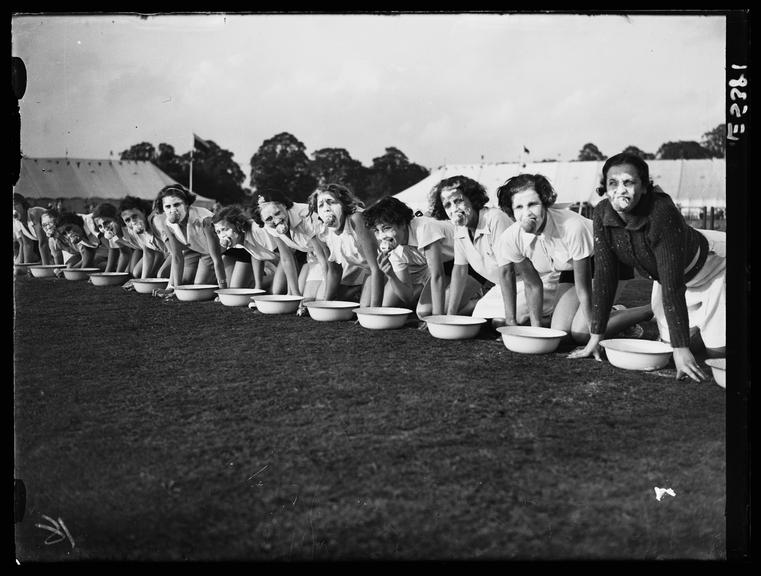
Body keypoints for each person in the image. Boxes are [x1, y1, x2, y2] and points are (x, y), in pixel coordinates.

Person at [568, 153, 726, 382]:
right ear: (604, 186)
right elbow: (605, 276)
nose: (620, 190)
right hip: (670, 278)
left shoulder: (661, 211)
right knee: (670, 348)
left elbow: (672, 286)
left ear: (643, 187)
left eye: (628, 182)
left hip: (716, 267)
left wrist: (681, 348)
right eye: (613, 183)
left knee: (717, 355)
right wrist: (595, 336)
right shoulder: (602, 212)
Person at [495, 173, 652, 343]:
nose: (527, 213)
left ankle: (651, 309)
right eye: (519, 207)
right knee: (559, 335)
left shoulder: (572, 227)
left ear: (545, 203)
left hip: (609, 260)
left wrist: (594, 334)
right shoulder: (511, 238)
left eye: (532, 204)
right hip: (571, 269)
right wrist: (536, 329)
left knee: (581, 332)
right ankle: (613, 311)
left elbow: (583, 290)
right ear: (511, 212)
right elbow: (532, 285)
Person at [362, 195, 482, 314]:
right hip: (447, 264)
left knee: (443, 312)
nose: (382, 236)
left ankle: (480, 301)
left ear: (403, 223)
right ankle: (467, 299)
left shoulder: (424, 228)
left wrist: (436, 318)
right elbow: (408, 296)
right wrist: (390, 274)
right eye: (377, 230)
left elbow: (437, 275)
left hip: (472, 260)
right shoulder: (395, 248)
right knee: (423, 312)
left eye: (386, 228)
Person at [427, 175, 514, 327]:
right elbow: (460, 271)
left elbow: (508, 271)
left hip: (522, 283)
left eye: (458, 200)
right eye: (447, 205)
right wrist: (449, 317)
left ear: (472, 199)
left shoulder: (495, 218)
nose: (454, 209)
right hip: (500, 287)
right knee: (478, 319)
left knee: (498, 322)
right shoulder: (459, 228)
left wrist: (511, 319)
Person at [307, 183, 383, 306]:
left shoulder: (357, 219)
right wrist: (325, 304)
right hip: (370, 272)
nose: (326, 208)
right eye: (320, 205)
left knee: (369, 309)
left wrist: (373, 310)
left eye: (331, 202)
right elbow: (334, 271)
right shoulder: (322, 231)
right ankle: (358, 293)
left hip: (389, 269)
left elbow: (376, 267)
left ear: (343, 204)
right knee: (335, 297)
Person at [252, 189, 330, 302]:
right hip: (314, 258)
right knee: (306, 298)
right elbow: (286, 258)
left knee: (320, 299)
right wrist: (295, 295)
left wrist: (326, 295)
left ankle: (356, 289)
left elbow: (324, 258)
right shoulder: (269, 225)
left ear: (284, 205)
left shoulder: (305, 215)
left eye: (278, 213)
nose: (276, 220)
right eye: (269, 219)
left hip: (334, 256)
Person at [151, 184, 228, 297]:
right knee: (185, 282)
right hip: (200, 251)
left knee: (199, 286)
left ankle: (229, 272)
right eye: (168, 206)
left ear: (186, 204)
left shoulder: (205, 220)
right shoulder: (167, 224)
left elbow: (216, 258)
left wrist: (223, 291)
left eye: (177, 204)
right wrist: (175, 289)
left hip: (222, 252)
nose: (173, 210)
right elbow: (177, 257)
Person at [211, 205, 280, 291]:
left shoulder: (257, 231)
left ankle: (273, 274)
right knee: (233, 289)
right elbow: (256, 255)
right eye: (218, 231)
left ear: (238, 225)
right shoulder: (236, 239)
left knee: (275, 291)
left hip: (290, 258)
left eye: (225, 229)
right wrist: (258, 286)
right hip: (247, 250)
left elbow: (283, 256)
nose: (222, 235)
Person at [118, 196, 170, 279]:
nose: (133, 222)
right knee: (136, 273)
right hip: (162, 252)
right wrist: (143, 280)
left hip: (179, 252)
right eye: (127, 220)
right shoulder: (133, 229)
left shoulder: (156, 222)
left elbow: (175, 252)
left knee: (161, 275)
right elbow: (148, 252)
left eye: (135, 216)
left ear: (143, 212)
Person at [92, 202, 139, 274]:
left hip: (142, 250)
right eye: (100, 226)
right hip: (136, 250)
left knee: (133, 272)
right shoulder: (112, 234)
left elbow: (136, 248)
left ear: (115, 218)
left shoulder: (127, 227)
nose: (105, 228)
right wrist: (115, 274)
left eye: (106, 222)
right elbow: (124, 253)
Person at [13, 193, 51, 264]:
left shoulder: (34, 213)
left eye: (15, 204)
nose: (14, 209)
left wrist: (45, 267)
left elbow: (43, 242)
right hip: (52, 247)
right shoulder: (17, 221)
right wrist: (26, 267)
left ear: (23, 204)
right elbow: (27, 244)